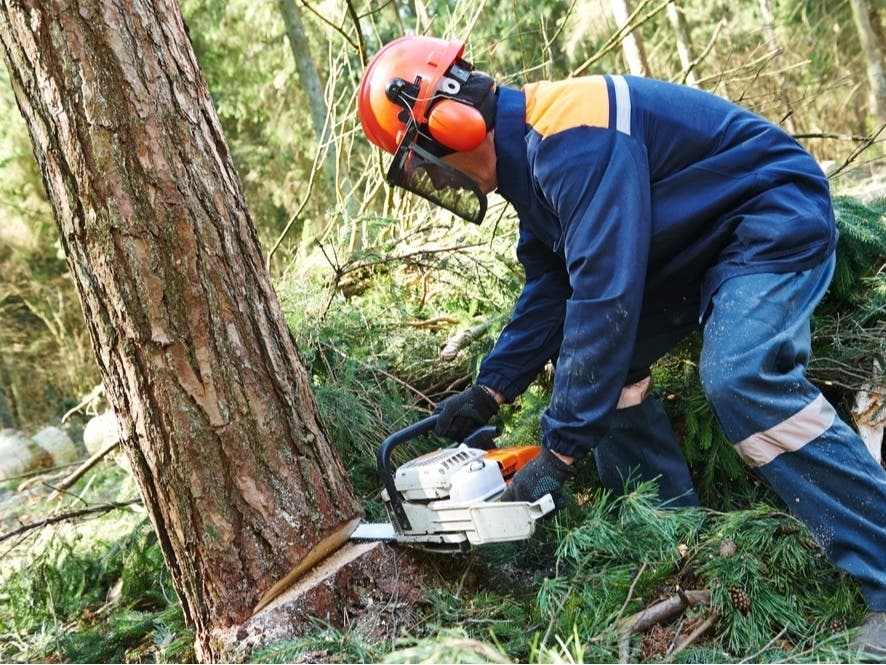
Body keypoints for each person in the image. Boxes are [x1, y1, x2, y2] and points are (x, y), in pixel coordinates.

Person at [356, 35, 886, 656]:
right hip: (693, 245)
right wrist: (490, 390)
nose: (431, 176)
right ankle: (673, 542)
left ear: (453, 121)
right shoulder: (532, 158)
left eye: (423, 160)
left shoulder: (574, 140)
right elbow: (552, 286)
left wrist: (559, 452)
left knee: (740, 376)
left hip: (769, 216)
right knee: (608, 371)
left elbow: (603, 296)